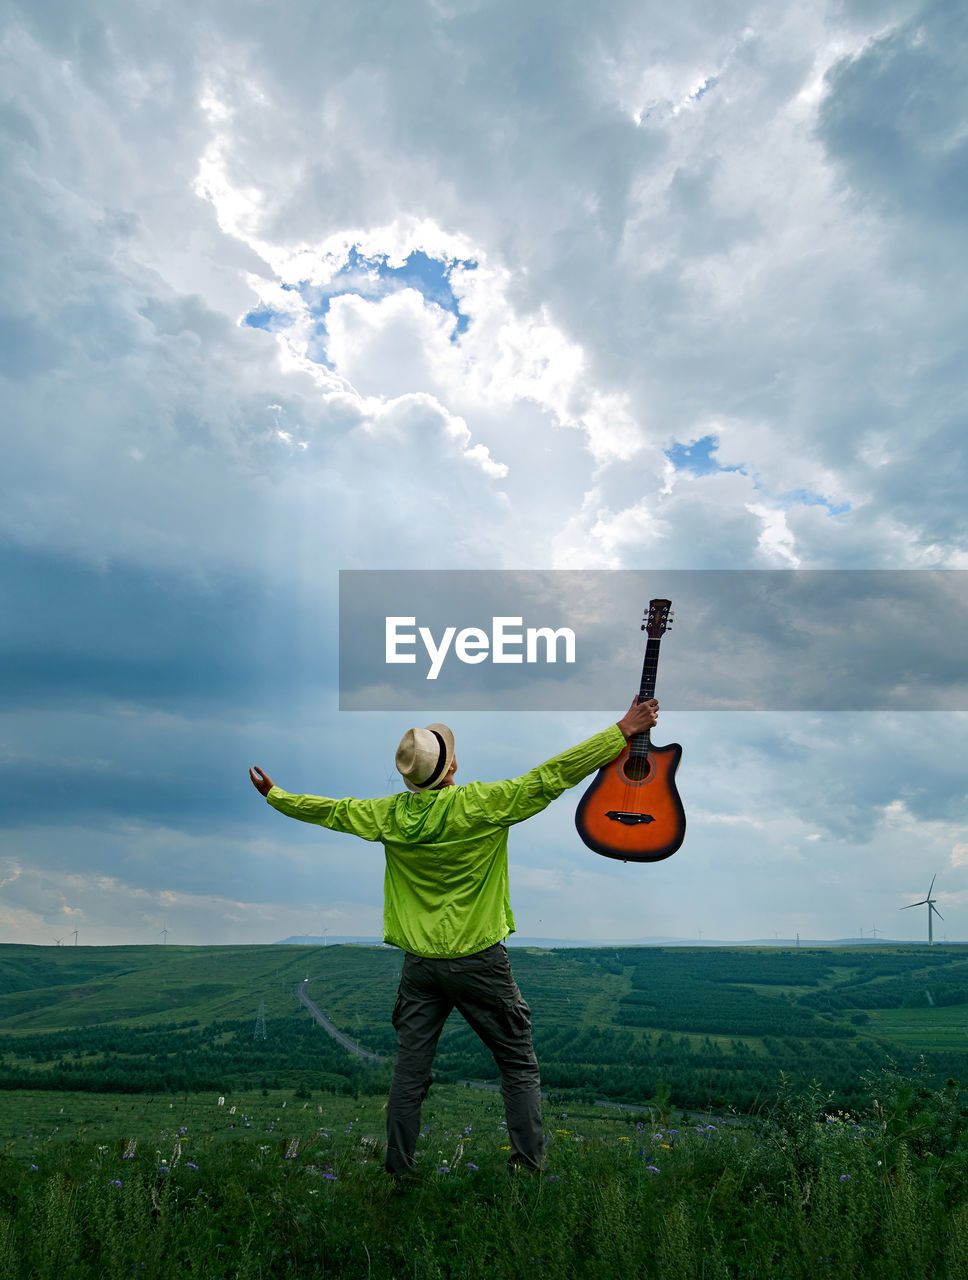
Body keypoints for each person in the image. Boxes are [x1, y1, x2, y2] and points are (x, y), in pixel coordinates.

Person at [248, 696, 659, 1177]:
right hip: (480, 961)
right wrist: (622, 732)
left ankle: (400, 1172)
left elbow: (334, 811)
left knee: (409, 1074)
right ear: (453, 764)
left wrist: (277, 797)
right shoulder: (482, 804)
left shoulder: (390, 815)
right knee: (517, 1064)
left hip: (419, 966)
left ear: (409, 778)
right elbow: (552, 776)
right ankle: (529, 1170)